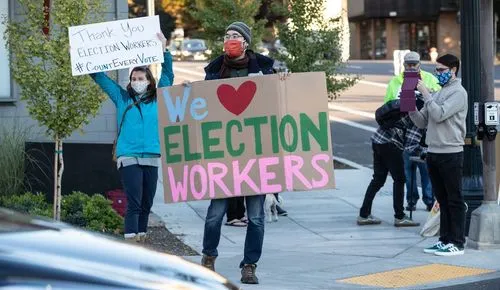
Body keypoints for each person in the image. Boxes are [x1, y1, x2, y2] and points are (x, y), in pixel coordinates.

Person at [200, 21, 275, 284]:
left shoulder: (266, 69)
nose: (230, 39)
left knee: (255, 217)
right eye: (227, 35)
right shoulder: (213, 71)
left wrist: (284, 83)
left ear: (245, 42)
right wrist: (188, 96)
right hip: (223, 155)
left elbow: (278, 102)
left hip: (256, 154)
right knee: (215, 214)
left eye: (235, 35)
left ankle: (249, 265)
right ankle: (208, 257)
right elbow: (202, 107)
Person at [90, 32, 173, 243]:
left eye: (141, 78)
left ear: (149, 81)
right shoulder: (122, 98)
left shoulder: (158, 98)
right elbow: (100, 78)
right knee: (134, 202)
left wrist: (164, 49)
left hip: (152, 155)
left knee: (147, 203)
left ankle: (141, 240)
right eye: (133, 79)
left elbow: (168, 75)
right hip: (128, 156)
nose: (137, 81)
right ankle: (130, 241)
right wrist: (84, 57)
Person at [410, 54, 468, 256]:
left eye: (442, 70)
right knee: (441, 200)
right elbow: (422, 121)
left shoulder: (459, 93)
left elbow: (439, 114)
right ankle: (444, 240)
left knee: (454, 199)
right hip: (433, 152)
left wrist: (425, 93)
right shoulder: (437, 93)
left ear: (453, 70)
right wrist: (409, 106)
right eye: (436, 70)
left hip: (451, 152)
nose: (438, 74)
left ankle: (458, 243)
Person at [384, 51, 439, 212]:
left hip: (424, 132)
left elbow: (438, 98)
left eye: (414, 64)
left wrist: (425, 91)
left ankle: (429, 200)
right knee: (408, 171)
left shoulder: (429, 79)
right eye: (409, 64)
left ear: (419, 64)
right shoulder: (395, 81)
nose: (412, 67)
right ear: (404, 65)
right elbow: (387, 104)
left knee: (426, 170)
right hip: (404, 132)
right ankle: (411, 200)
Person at [357, 112, 420, 227]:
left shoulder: (409, 106)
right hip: (391, 145)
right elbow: (411, 145)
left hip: (378, 140)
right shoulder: (419, 118)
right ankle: (400, 217)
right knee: (399, 180)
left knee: (378, 180)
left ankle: (364, 215)